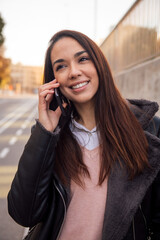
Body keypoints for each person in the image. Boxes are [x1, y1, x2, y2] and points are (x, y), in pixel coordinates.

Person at [8, 30, 160, 240]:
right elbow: (23, 214)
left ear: (100, 65)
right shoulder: (49, 136)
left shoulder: (149, 130)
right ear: (54, 81)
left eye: (83, 59)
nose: (73, 72)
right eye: (61, 66)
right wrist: (44, 134)